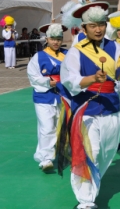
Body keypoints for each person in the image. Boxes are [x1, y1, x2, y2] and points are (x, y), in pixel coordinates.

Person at [58, 0, 120, 209]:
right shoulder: (76, 51)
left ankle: (91, 189)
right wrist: (90, 78)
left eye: (101, 24)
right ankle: (85, 201)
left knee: (105, 155)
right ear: (84, 27)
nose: (98, 29)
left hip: (111, 109)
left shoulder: (116, 47)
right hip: (87, 110)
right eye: (93, 25)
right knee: (88, 153)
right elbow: (68, 80)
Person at [27, 23, 70, 172]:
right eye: (53, 39)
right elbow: (33, 76)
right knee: (47, 127)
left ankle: (63, 151)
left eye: (59, 38)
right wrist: (47, 82)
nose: (56, 42)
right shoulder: (38, 57)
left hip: (64, 95)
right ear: (47, 39)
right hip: (44, 96)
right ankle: (46, 158)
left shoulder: (68, 54)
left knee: (62, 125)